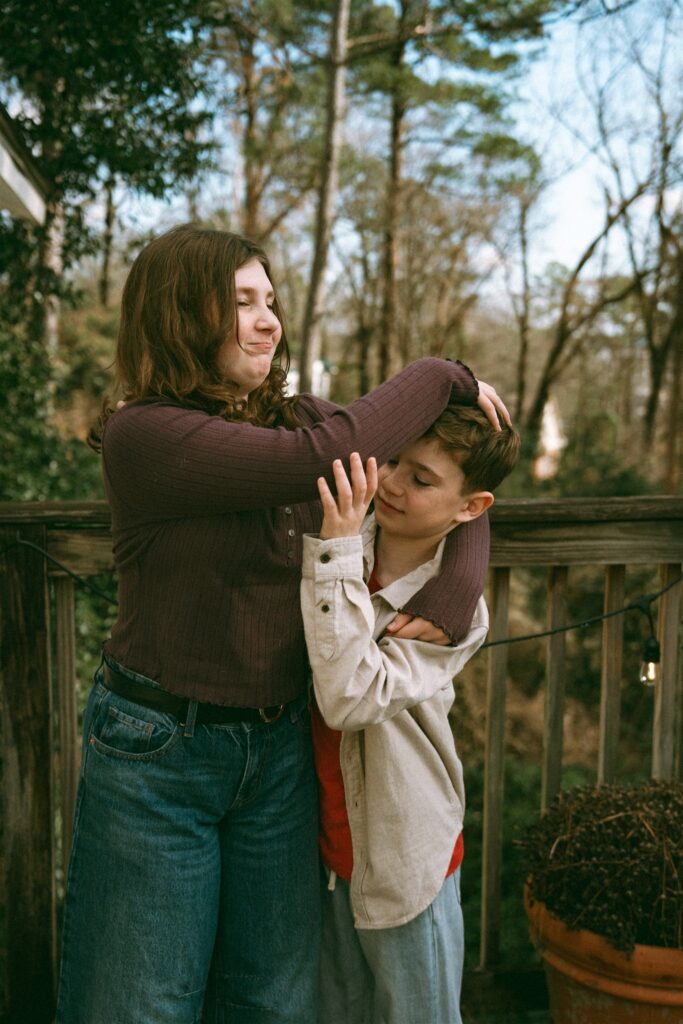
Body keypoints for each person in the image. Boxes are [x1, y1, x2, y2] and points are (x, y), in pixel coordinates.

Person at [55, 223, 510, 1024]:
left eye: (269, 301)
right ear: (177, 314)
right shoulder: (146, 434)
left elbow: (438, 476)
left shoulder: (294, 417)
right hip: (161, 754)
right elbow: (333, 453)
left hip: (278, 755)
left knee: (271, 1003)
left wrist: (462, 567)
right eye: (240, 303)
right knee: (140, 1004)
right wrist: (444, 373)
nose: (268, 321)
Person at [301, 404, 520, 1024]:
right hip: (320, 854)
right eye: (393, 459)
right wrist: (456, 381)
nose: (392, 483)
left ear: (471, 508)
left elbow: (349, 698)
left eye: (421, 480)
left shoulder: (454, 610)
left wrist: (337, 551)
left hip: (403, 863)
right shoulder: (352, 536)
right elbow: (316, 420)